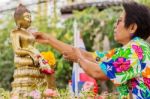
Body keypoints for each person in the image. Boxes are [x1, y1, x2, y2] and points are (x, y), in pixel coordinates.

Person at [32, 2, 150, 98]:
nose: (115, 25)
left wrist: (79, 58)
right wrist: (48, 39)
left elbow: (97, 72)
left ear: (132, 27)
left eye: (119, 21)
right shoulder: (128, 50)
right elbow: (88, 56)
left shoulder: (135, 50)